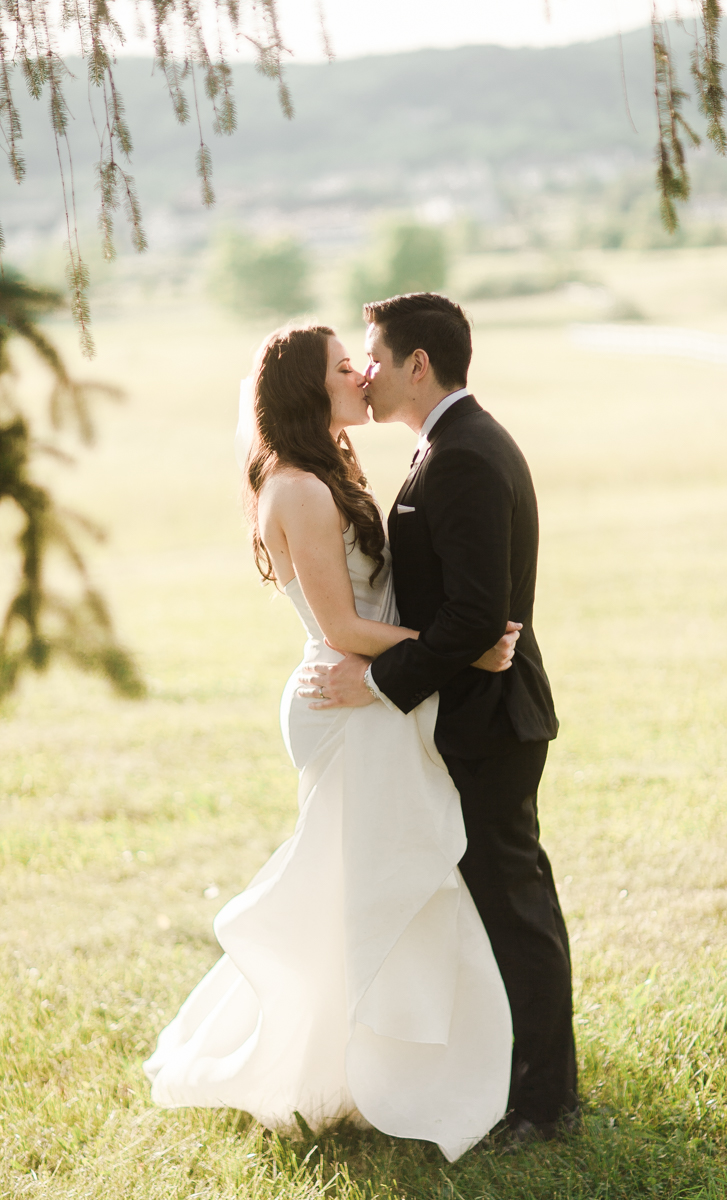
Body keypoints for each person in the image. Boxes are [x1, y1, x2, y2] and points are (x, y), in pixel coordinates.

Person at [143, 323, 523, 1162]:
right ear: (310, 392)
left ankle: (388, 1055)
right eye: (340, 365)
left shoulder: (326, 471)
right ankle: (349, 1064)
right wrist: (460, 639)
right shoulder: (300, 490)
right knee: (373, 884)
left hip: (367, 695)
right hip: (344, 700)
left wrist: (448, 640)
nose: (360, 370)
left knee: (374, 883)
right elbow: (347, 627)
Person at [298, 293, 578, 1144]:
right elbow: (462, 620)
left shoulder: (464, 455)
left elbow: (472, 618)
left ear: (420, 363)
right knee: (496, 901)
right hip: (471, 708)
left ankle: (546, 1102)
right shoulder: (445, 446)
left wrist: (375, 682)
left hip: (491, 720)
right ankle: (504, 1075)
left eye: (377, 356)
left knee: (515, 903)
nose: (368, 373)